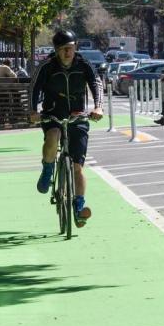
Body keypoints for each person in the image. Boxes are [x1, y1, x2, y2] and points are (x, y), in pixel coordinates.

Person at [30, 30, 103, 227]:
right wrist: (33, 110)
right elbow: (34, 87)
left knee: (78, 166)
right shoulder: (46, 66)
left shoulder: (83, 64)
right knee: (53, 135)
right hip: (52, 114)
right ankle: (47, 169)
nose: (68, 53)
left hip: (77, 116)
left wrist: (97, 106)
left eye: (70, 48)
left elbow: (96, 83)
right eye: (63, 49)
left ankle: (79, 207)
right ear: (56, 51)